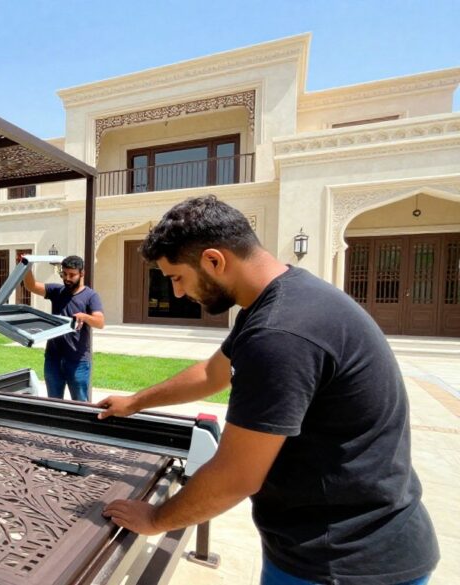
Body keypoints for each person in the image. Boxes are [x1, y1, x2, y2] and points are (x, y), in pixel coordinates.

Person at [96, 195, 438, 585]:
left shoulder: (280, 333)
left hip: (343, 561)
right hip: (354, 539)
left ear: (213, 260)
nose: (176, 293)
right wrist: (136, 402)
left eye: (176, 277)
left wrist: (155, 518)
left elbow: (236, 476)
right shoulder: (283, 299)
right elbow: (212, 373)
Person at [20, 254, 105, 401]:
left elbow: (100, 322)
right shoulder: (56, 291)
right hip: (53, 359)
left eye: (72, 275)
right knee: (54, 403)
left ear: (82, 274)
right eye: (64, 274)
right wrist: (26, 267)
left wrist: (84, 317)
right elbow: (31, 286)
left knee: (80, 404)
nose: (67, 278)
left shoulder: (91, 296)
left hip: (78, 360)